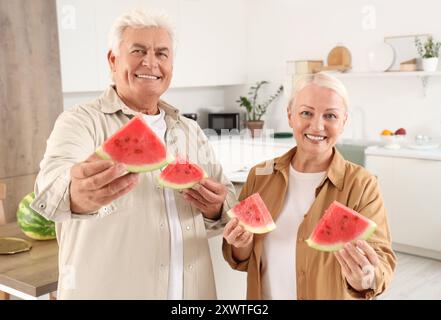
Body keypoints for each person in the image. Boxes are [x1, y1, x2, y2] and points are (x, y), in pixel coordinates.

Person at [31, 9, 236, 299]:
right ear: (113, 60)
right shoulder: (79, 122)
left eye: (162, 54)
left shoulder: (189, 130)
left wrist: (216, 207)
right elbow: (49, 189)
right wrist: (75, 195)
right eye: (138, 50)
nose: (150, 62)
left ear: (171, 65)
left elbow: (227, 200)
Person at [223, 72, 396, 300]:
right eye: (306, 113)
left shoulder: (362, 184)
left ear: (343, 122)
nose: (317, 126)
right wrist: (239, 244)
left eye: (330, 116)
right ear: (290, 116)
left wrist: (366, 278)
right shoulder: (260, 176)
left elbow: (381, 262)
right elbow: (243, 258)